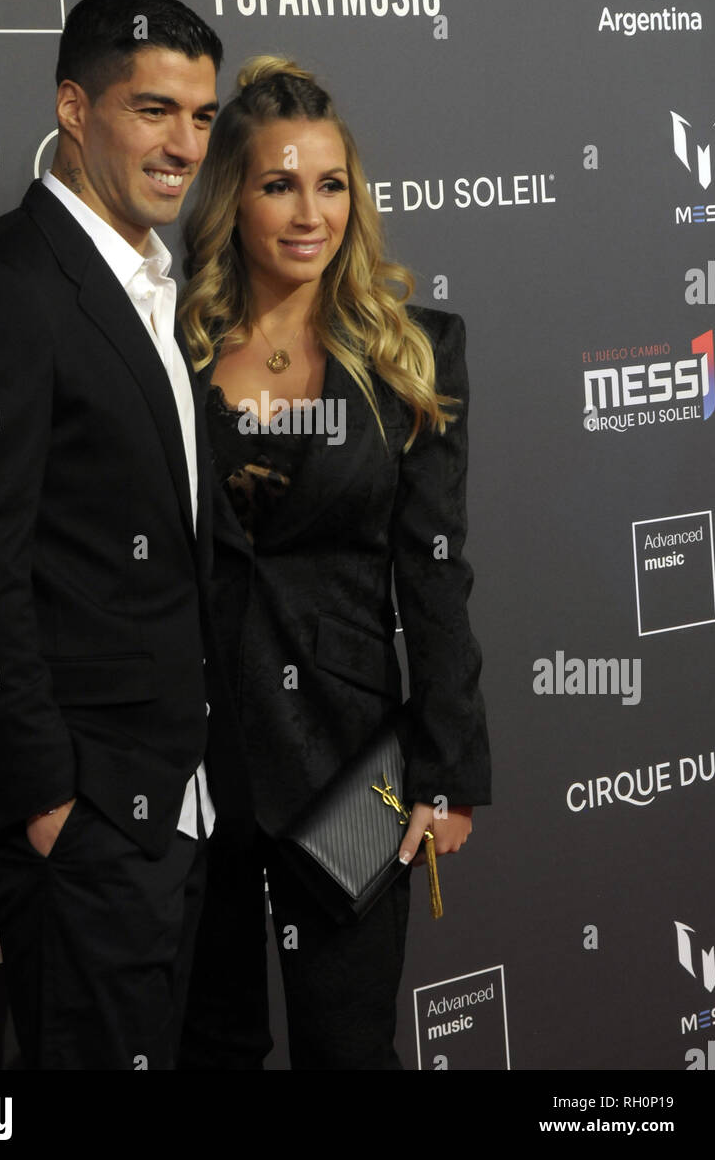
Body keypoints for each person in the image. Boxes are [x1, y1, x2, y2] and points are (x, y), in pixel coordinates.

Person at [0, 0, 241, 1070]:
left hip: (175, 805)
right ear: (72, 107)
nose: (184, 143)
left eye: (199, 116)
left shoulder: (152, 277)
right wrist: (54, 803)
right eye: (153, 110)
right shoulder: (3, 292)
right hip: (89, 820)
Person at [177, 57, 490, 1070]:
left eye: (330, 183)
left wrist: (445, 773)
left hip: (352, 763)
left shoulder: (410, 354)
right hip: (195, 758)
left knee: (346, 1048)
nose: (308, 212)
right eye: (277, 184)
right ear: (234, 197)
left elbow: (435, 572)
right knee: (208, 1041)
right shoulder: (170, 348)